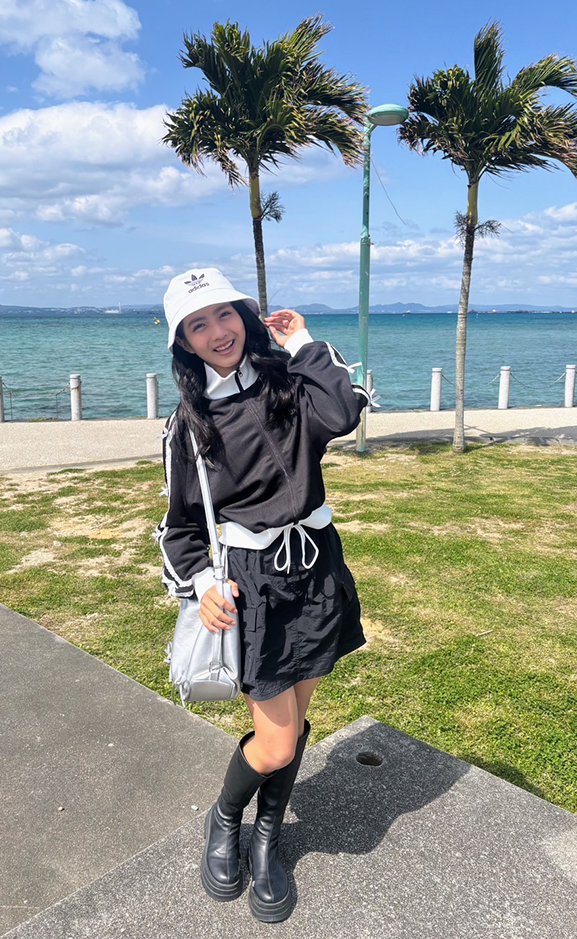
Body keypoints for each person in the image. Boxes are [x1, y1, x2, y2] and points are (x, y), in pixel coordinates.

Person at [156, 269, 371, 923]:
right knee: (275, 744)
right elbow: (180, 528)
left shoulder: (287, 380)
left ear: (245, 316)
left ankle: (267, 837)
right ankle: (227, 817)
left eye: (224, 314)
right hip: (254, 583)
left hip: (317, 565)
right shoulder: (190, 424)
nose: (217, 331)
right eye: (198, 324)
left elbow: (343, 411)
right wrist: (202, 584)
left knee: (296, 720)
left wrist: (301, 343)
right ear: (184, 343)